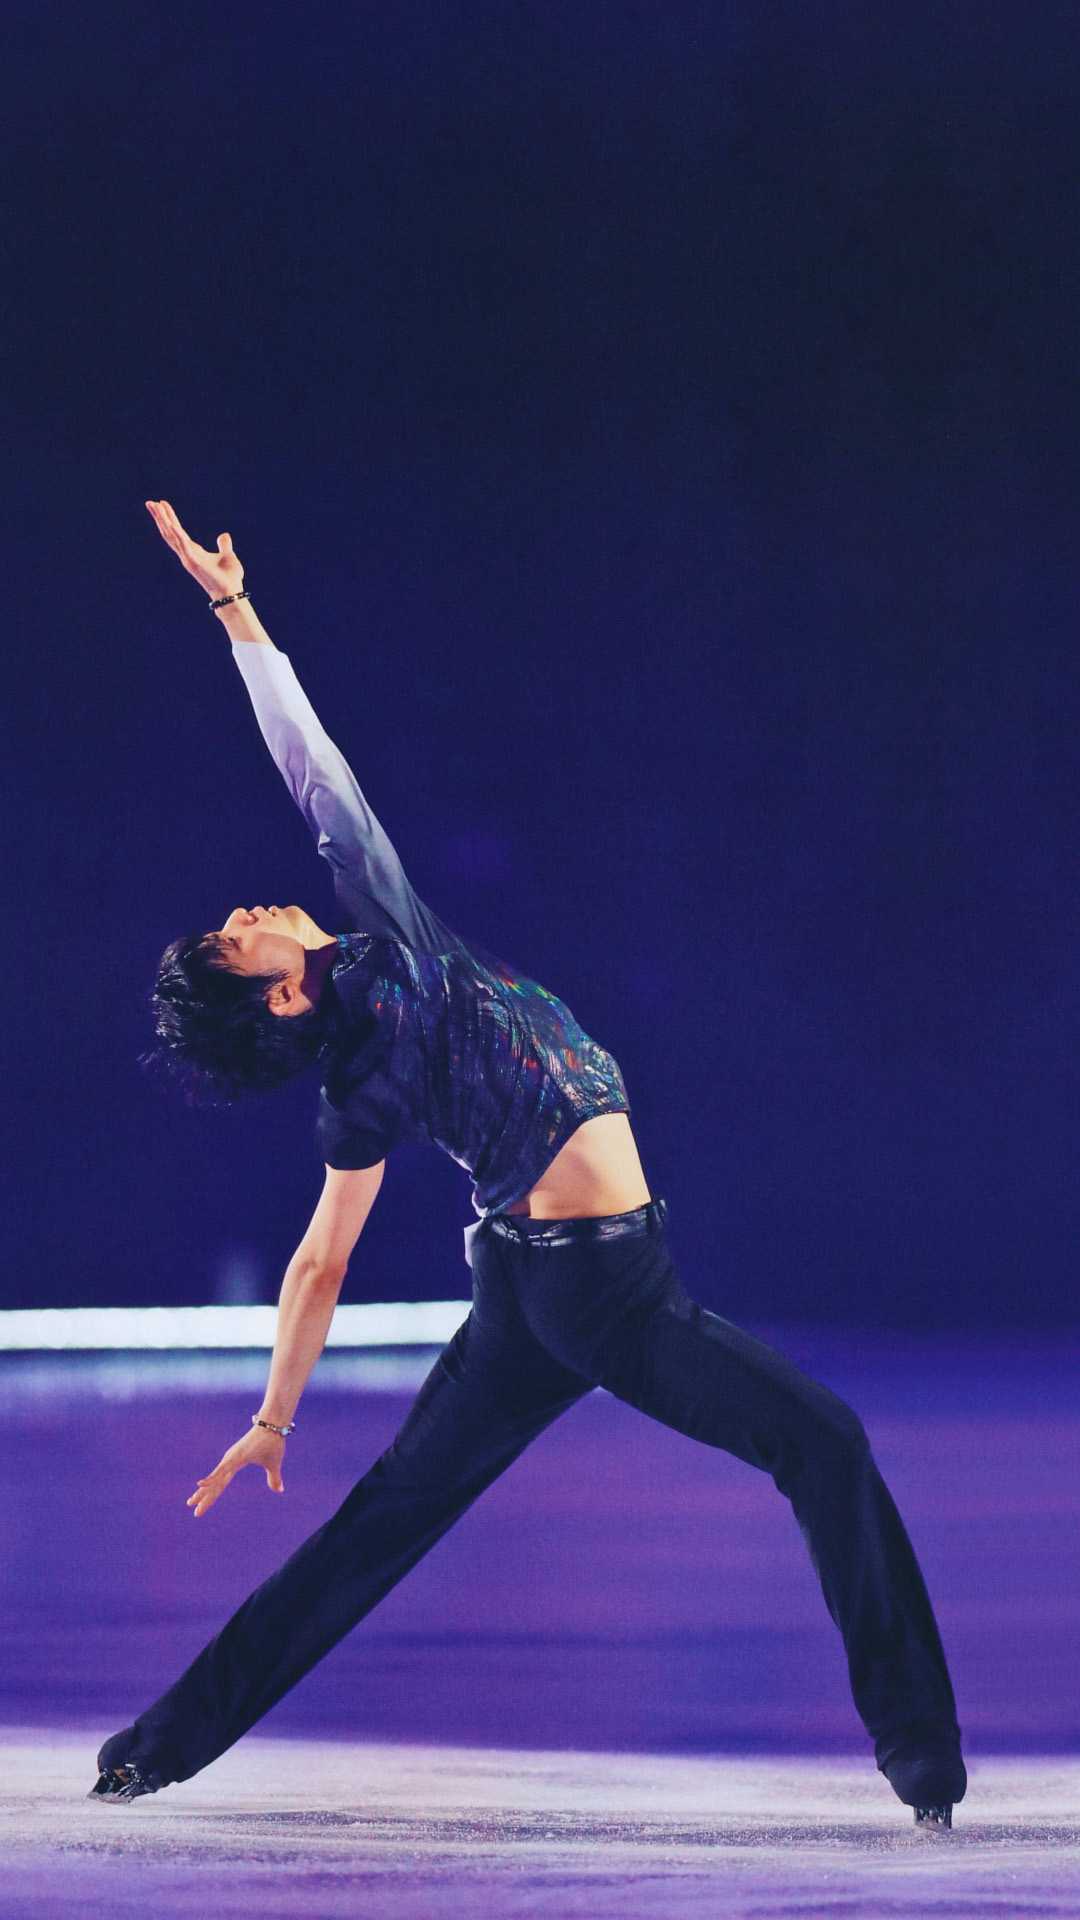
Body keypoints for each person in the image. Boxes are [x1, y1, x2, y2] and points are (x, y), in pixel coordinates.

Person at [89, 499, 967, 1828]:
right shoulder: (378, 994)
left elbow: (312, 770)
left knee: (383, 1522)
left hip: (533, 1285)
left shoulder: (373, 984)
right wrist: (272, 1415)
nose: (245, 912)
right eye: (235, 941)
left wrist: (236, 610)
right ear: (276, 995)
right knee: (824, 1442)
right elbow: (321, 1257)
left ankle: (153, 1749)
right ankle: (924, 1763)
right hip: (602, 1293)